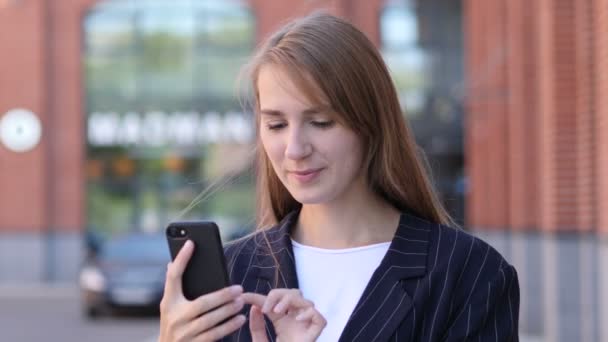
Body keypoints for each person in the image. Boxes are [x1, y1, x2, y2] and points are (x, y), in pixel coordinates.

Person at [159, 12, 520, 342]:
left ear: (371, 123)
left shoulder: (468, 274)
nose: (294, 148)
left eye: (321, 122)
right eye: (276, 124)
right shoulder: (232, 275)